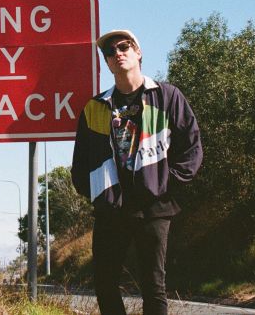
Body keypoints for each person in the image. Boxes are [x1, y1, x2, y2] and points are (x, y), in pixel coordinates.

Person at [71, 29, 202, 315]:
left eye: (123, 47)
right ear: (107, 62)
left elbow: (191, 147)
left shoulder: (167, 96)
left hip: (154, 206)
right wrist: (97, 193)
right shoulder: (95, 107)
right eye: (109, 52)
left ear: (138, 52)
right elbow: (80, 163)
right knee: (104, 284)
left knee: (153, 286)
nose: (117, 53)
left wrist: (164, 183)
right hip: (111, 209)